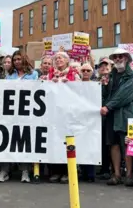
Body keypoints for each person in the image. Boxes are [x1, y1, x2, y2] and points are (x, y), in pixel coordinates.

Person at [0, 50, 38, 183]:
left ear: (24, 59)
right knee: (7, 141)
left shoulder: (33, 74)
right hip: (10, 113)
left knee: (23, 142)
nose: (17, 62)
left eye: (19, 59)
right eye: (15, 60)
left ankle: (25, 171)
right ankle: (4, 170)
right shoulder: (10, 75)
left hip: (26, 113)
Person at [101, 48, 133, 186]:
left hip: (126, 114)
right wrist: (104, 86)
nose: (118, 59)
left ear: (127, 58)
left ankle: (129, 175)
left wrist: (107, 106)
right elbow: (106, 95)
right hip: (111, 114)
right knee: (113, 144)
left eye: (121, 56)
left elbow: (124, 96)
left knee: (127, 144)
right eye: (115, 57)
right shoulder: (110, 76)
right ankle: (116, 174)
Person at [43, 51, 80, 183]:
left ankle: (67, 171)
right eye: (56, 58)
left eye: (61, 58)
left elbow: (81, 92)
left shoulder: (74, 74)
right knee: (54, 141)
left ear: (67, 61)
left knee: (67, 142)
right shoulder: (50, 75)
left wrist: (70, 84)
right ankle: (56, 171)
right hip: (54, 114)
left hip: (68, 114)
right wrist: (48, 83)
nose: (58, 60)